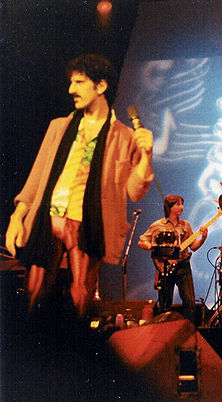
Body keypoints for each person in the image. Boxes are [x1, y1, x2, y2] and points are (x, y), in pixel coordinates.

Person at [5, 54, 154, 318]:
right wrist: (18, 215)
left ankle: (73, 349)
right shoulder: (59, 127)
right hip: (49, 217)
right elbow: (38, 175)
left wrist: (146, 157)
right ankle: (31, 348)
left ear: (101, 86)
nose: (71, 89)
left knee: (80, 292)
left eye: (79, 82)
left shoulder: (123, 136)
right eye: (71, 82)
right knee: (34, 289)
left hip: (87, 223)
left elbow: (134, 190)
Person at [138, 195, 208, 323]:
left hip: (183, 266)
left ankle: (189, 331)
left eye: (182, 204)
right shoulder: (157, 225)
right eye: (178, 204)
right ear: (169, 207)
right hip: (165, 267)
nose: (181, 207)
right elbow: (142, 241)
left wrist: (203, 238)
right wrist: (154, 248)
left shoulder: (186, 225)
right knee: (165, 303)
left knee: (189, 301)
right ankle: (164, 332)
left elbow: (193, 247)